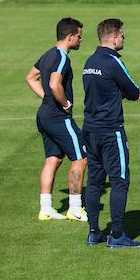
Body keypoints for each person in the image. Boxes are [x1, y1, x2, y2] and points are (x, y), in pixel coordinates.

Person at [80, 18, 140, 247]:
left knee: (94, 182)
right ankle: (117, 235)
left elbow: (100, 92)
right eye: (121, 35)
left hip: (90, 129)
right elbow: (130, 90)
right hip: (111, 130)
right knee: (120, 180)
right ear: (112, 37)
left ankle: (93, 231)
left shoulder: (89, 62)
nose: (123, 38)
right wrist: (139, 93)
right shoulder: (112, 62)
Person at [26, 17, 87, 221]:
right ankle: (75, 209)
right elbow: (54, 84)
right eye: (79, 36)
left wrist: (45, 98)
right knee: (81, 157)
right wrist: (65, 104)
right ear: (69, 37)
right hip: (58, 117)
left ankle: (45, 209)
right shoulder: (62, 57)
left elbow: (30, 77)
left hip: (43, 115)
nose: (81, 40)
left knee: (53, 159)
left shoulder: (47, 54)